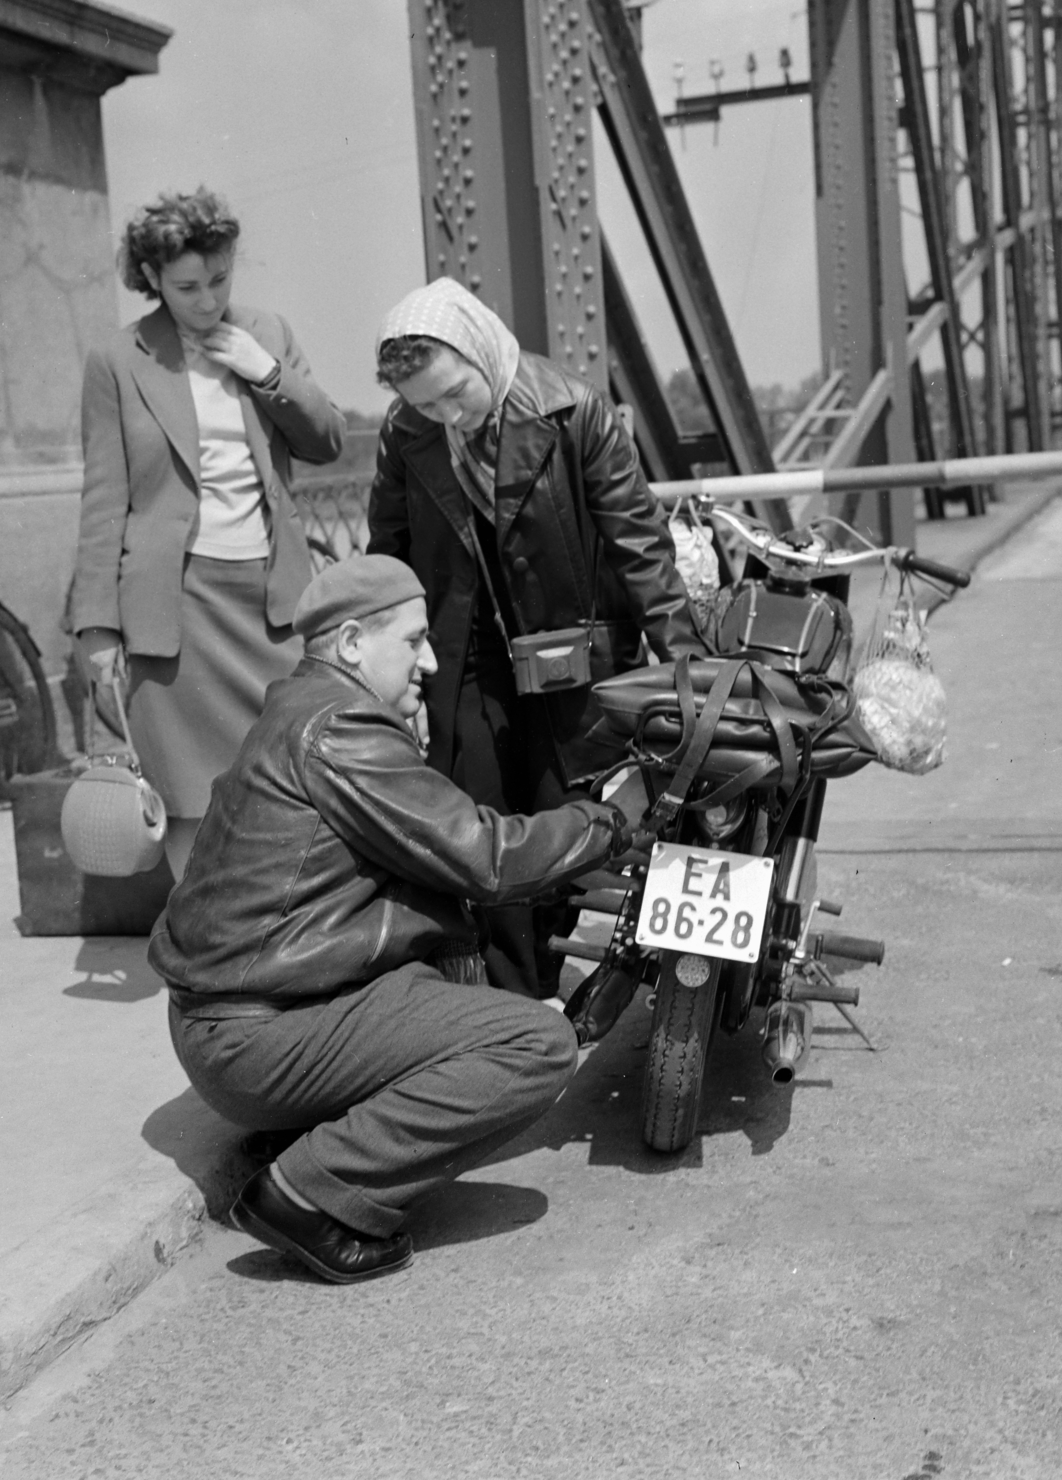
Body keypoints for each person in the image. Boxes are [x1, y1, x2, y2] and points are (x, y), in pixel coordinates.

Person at [149, 555, 633, 1284]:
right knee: (535, 1043)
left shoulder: (306, 710)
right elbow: (485, 858)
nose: (431, 661)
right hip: (254, 1039)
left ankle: (311, 1143)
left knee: (458, 991)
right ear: (349, 643)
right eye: (411, 641)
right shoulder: (337, 726)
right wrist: (609, 822)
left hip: (241, 1019)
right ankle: (309, 1194)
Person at [366, 277, 703, 1000]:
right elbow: (386, 553)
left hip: (568, 653)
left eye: (455, 392)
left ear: (480, 348)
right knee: (482, 825)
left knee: (562, 813)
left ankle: (552, 965)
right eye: (425, 404)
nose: (445, 415)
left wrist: (690, 672)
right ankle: (519, 999)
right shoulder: (406, 433)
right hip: (463, 659)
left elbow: (638, 547)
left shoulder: (573, 409)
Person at [70, 188, 344, 877]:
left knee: (291, 786)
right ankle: (203, 964)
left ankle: (287, 960)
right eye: (187, 286)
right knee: (189, 802)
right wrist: (97, 628)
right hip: (176, 607)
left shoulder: (268, 333)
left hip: (270, 602)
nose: (206, 299)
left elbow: (326, 442)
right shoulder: (118, 359)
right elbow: (104, 499)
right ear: (152, 280)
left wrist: (266, 372)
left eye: (219, 279)